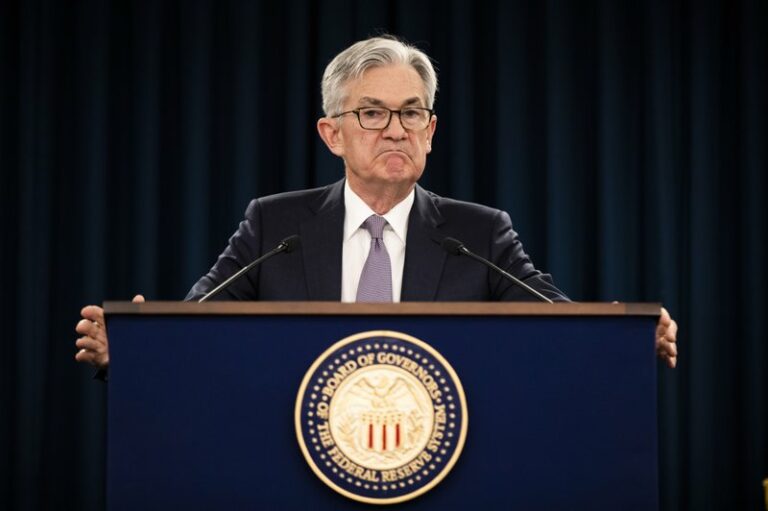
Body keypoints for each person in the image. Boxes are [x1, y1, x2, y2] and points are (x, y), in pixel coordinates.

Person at [75, 35, 678, 370]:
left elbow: (559, 325)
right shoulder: (274, 224)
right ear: (331, 134)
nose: (395, 130)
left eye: (411, 113)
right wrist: (133, 350)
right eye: (372, 113)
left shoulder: (480, 234)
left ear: (430, 131)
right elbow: (196, 325)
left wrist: (625, 340)